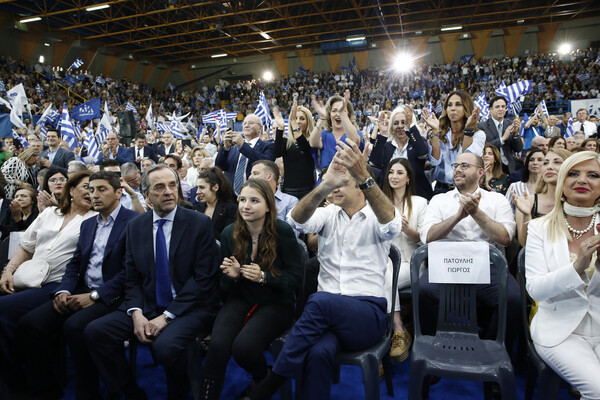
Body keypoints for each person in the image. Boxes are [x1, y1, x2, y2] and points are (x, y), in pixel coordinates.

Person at [248, 138, 402, 400]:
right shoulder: (328, 214)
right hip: (327, 319)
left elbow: (393, 227)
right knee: (318, 353)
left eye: (344, 181)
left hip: (366, 315)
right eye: (335, 181)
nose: (337, 186)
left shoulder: (378, 215)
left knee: (318, 302)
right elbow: (295, 221)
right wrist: (325, 185)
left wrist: (365, 175)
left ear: (361, 188)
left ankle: (271, 382)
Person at [84, 164, 220, 400]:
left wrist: (167, 316)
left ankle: (178, 394)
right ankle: (130, 392)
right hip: (147, 304)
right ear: (146, 195)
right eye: (159, 187)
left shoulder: (199, 223)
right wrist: (135, 312)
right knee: (96, 332)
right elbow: (132, 277)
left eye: (172, 185)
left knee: (165, 348)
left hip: (189, 306)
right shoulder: (135, 226)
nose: (168, 191)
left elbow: (203, 280)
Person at [14, 171, 138, 400]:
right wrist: (64, 290)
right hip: (81, 290)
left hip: (114, 295)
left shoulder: (133, 222)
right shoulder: (89, 224)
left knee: (75, 326)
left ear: (119, 193)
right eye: (91, 190)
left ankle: (91, 391)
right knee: (30, 324)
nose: (94, 195)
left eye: (102, 189)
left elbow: (130, 272)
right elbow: (74, 264)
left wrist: (94, 296)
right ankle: (46, 389)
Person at [200, 179, 303, 399]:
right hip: (241, 297)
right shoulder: (230, 233)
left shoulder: (282, 231)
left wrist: (264, 277)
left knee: (244, 349)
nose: (246, 205)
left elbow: (295, 278)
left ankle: (262, 377)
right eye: (243, 199)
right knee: (217, 346)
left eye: (254, 201)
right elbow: (225, 289)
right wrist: (234, 277)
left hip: (276, 302)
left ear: (268, 206)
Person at [0, 171, 96, 396]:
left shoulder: (95, 220)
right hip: (25, 277)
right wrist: (8, 271)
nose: (91, 193)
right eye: (86, 188)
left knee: (3, 313)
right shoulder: (49, 214)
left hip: (58, 284)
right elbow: (26, 247)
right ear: (71, 190)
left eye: (95, 189)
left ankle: (15, 386)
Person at [419, 152, 520, 349]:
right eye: (456, 165)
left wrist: (476, 213)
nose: (457, 169)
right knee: (424, 290)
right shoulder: (440, 200)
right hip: (447, 267)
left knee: (513, 299)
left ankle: (493, 352)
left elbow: (506, 238)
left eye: (464, 165)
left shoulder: (497, 200)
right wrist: (457, 217)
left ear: (480, 172)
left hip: (489, 267)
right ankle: (430, 350)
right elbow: (428, 237)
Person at [525, 151, 600, 399]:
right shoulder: (539, 228)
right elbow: (535, 289)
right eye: (574, 174)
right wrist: (577, 267)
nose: (582, 180)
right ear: (562, 182)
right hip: (558, 330)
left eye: (593, 175)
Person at [381, 157, 427, 362]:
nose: (394, 176)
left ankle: (396, 329)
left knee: (383, 277)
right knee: (383, 272)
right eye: (391, 172)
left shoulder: (420, 203)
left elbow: (424, 241)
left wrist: (406, 228)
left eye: (400, 172)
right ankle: (393, 331)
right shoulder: (379, 203)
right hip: (382, 262)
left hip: (411, 262)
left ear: (408, 178)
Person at [422, 89, 486, 194]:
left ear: (466, 107)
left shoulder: (478, 135)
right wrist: (435, 132)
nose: (452, 108)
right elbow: (434, 162)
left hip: (466, 190)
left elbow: (466, 162)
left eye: (458, 104)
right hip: (441, 189)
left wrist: (468, 129)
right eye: (449, 105)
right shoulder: (440, 132)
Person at [369, 105, 433, 200]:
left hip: (417, 196)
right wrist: (382, 134)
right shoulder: (387, 146)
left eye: (404, 122)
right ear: (391, 127)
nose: (400, 126)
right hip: (391, 197)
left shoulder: (417, 142)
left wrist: (411, 127)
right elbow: (374, 162)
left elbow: (422, 153)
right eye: (396, 123)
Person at [512, 148, 571, 247]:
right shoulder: (528, 202)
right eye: (546, 163)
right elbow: (524, 243)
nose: (549, 167)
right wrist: (527, 215)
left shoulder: (577, 202)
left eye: (557, 162)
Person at [215, 114, 274, 195]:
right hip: (230, 196)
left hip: (254, 194)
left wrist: (242, 144)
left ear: (260, 128)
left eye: (250, 123)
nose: (246, 125)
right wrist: (225, 148)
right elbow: (219, 167)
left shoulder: (268, 145)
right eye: (244, 123)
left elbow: (265, 163)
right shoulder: (233, 148)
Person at [309, 92, 363, 171]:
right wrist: (322, 118)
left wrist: (342, 114)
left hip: (348, 180)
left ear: (348, 114)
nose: (338, 114)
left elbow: (355, 141)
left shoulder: (357, 133)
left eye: (342, 110)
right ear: (329, 114)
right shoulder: (324, 134)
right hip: (326, 180)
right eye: (334, 111)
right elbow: (313, 143)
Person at [272, 101, 315, 199]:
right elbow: (277, 153)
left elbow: (304, 148)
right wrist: (280, 127)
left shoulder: (313, 140)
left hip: (308, 191)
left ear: (308, 121)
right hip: (288, 191)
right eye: (295, 118)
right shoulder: (286, 141)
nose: (298, 121)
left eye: (302, 118)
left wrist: (294, 123)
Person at [477, 96, 523, 173]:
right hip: (491, 168)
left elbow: (518, 149)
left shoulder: (510, 124)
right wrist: (502, 139)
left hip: (509, 167)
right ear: (490, 109)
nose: (501, 109)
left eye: (503, 106)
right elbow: (482, 147)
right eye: (497, 107)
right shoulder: (481, 126)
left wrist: (515, 135)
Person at [193, 167, 237, 241]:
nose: (197, 192)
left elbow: (228, 237)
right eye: (197, 187)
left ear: (215, 187)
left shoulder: (230, 209)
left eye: (202, 187)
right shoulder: (195, 209)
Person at [505, 147, 545, 212]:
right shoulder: (515, 186)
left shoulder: (550, 187)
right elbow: (506, 211)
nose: (535, 163)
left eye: (540, 160)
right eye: (531, 160)